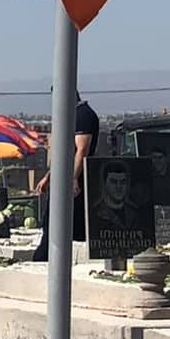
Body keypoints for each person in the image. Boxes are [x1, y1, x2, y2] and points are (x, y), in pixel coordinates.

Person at [32, 94, 100, 260]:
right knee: (52, 227)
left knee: (68, 227)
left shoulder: (83, 115)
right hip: (62, 180)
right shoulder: (68, 116)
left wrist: (73, 178)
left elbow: (82, 150)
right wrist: (49, 177)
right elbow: (63, 153)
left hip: (74, 184)